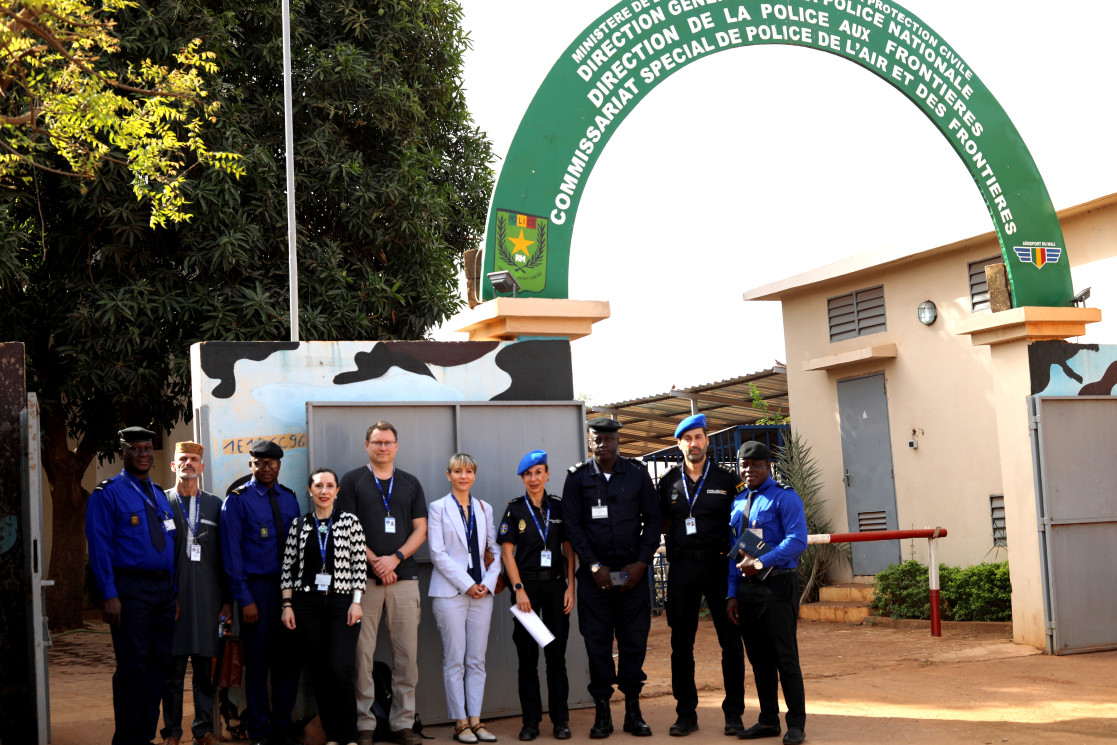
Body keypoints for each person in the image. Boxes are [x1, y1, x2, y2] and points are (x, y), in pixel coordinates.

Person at [562, 417, 661, 739]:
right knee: (597, 646)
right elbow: (572, 527)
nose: (602, 444)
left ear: (618, 440)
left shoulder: (636, 474)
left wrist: (642, 564)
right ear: (590, 442)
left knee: (634, 644)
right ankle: (602, 713)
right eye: (597, 439)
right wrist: (593, 565)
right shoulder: (577, 479)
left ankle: (634, 712)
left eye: (608, 439)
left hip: (632, 576)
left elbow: (654, 519)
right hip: (595, 580)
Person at [336, 421, 428, 745]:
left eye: (388, 442)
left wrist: (396, 558)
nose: (383, 447)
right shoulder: (351, 482)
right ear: (367, 446)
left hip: (404, 579)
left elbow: (420, 529)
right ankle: (365, 725)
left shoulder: (410, 484)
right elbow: (345, 527)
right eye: (377, 442)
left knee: (407, 656)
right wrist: (376, 561)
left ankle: (402, 724)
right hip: (364, 583)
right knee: (362, 654)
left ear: (396, 446)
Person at [85, 426, 177, 745]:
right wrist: (109, 594)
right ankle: (125, 740)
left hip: (164, 593)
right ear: (122, 451)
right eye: (136, 448)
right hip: (130, 591)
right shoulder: (107, 493)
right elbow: (100, 547)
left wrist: (174, 593)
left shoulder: (160, 495)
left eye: (148, 448)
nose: (143, 454)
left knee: (158, 669)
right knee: (132, 669)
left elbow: (170, 545)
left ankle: (144, 736)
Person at [657, 414, 747, 737]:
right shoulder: (667, 483)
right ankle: (686, 714)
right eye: (688, 439)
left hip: (719, 568)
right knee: (681, 644)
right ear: (679, 444)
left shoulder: (727, 480)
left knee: (731, 642)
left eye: (699, 437)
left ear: (707, 441)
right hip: (681, 569)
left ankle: (734, 713)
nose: (694, 444)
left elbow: (744, 527)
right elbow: (662, 524)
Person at [726, 441, 808, 745]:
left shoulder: (784, 497)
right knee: (758, 659)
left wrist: (761, 561)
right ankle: (768, 720)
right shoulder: (737, 502)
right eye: (744, 465)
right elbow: (736, 552)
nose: (749, 470)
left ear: (768, 466)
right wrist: (732, 593)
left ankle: (796, 724)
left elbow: (798, 540)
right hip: (747, 591)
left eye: (756, 465)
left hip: (778, 586)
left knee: (785, 657)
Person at [220, 440, 302, 745]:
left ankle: (283, 728)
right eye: (260, 463)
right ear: (250, 465)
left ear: (279, 465)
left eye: (272, 463)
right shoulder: (238, 501)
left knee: (288, 663)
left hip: (289, 592)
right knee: (257, 664)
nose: (267, 468)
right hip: (257, 590)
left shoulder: (290, 498)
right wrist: (245, 599)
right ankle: (260, 732)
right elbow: (232, 555)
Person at [280, 468, 367, 745]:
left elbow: (359, 566)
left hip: (342, 602)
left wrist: (356, 602)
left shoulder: (350, 522)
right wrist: (287, 605)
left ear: (337, 491)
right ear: (310, 490)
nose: (324, 491)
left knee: (339, 668)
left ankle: (349, 736)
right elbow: (287, 569)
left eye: (330, 486)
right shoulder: (299, 525)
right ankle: (332, 734)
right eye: (319, 486)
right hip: (306, 605)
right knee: (318, 672)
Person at [497, 450, 575, 741]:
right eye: (528, 474)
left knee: (556, 658)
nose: (533, 478)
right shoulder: (514, 509)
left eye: (538, 472)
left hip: (556, 589)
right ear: (522, 478)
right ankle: (530, 722)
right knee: (527, 659)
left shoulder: (559, 507)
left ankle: (561, 721)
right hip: (525, 590)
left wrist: (571, 587)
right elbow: (507, 552)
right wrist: (518, 590)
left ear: (547, 474)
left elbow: (569, 549)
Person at [428, 453, 503, 744]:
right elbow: (437, 553)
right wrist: (467, 583)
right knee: (454, 658)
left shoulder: (485, 508)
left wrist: (486, 582)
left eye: (469, 471)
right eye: (458, 471)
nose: (463, 476)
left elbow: (495, 550)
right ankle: (460, 722)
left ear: (474, 475)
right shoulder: (438, 508)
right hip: (450, 593)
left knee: (476, 660)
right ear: (449, 475)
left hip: (482, 594)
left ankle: (476, 720)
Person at [160, 441, 232, 745]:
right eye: (183, 459)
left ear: (202, 467)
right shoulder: (162, 502)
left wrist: (227, 601)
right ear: (174, 466)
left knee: (205, 672)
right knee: (172, 674)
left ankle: (202, 730)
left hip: (209, 605)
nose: (189, 463)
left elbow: (227, 556)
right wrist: (165, 599)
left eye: (194, 459)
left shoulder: (217, 505)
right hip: (173, 604)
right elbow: (157, 555)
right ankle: (172, 733)